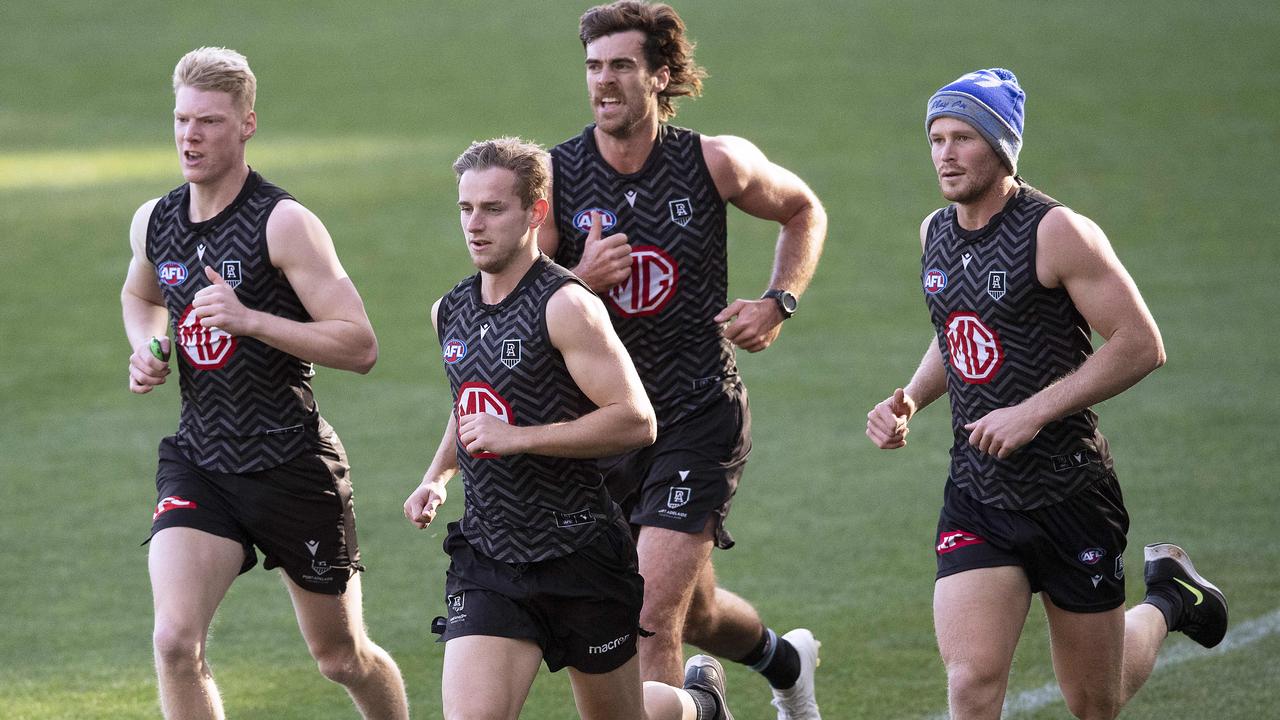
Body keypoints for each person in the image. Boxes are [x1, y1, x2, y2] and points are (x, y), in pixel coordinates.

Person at [865, 68, 1229, 719]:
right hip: (979, 493)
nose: (945, 154)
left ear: (1001, 147)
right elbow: (958, 333)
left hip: (1070, 494)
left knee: (1095, 699)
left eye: (963, 138)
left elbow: (1140, 343)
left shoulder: (1057, 232)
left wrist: (1034, 412)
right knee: (972, 684)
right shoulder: (935, 233)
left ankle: (1169, 600)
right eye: (936, 138)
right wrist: (911, 400)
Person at [537, 3, 827, 717]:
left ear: (660, 76)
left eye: (621, 67)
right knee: (693, 611)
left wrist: (777, 301)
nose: (603, 82)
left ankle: (692, 706)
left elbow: (803, 210)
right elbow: (513, 303)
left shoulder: (714, 160)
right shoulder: (553, 177)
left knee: (647, 617)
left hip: (697, 414)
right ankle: (786, 663)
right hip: (605, 427)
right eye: (593, 67)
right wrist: (580, 282)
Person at [120, 47, 408, 720]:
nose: (191, 136)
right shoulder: (154, 221)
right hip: (202, 460)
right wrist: (149, 346)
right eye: (182, 120)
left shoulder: (283, 223)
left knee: (341, 658)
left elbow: (360, 345)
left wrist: (252, 320)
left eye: (210, 122)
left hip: (291, 467)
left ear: (247, 123)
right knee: (173, 641)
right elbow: (141, 297)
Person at [403, 137, 735, 720]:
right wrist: (438, 475)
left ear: (535, 212)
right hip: (491, 554)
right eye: (465, 209)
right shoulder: (448, 311)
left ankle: (697, 705)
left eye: (492, 209)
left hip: (579, 556)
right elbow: (471, 407)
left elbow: (636, 419)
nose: (474, 225)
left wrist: (520, 438)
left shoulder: (566, 306)